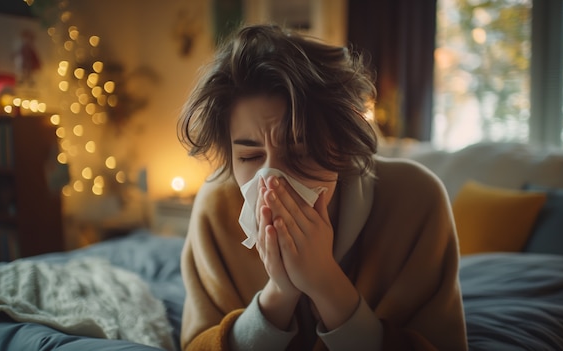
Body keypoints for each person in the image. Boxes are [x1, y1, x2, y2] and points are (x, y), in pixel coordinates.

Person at [177, 24, 468, 351]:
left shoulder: (415, 198)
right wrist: (279, 292)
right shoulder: (217, 205)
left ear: (341, 144)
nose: (271, 178)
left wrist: (326, 283)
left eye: (299, 152)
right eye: (249, 155)